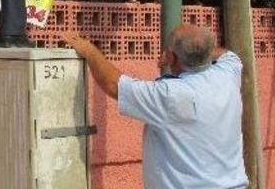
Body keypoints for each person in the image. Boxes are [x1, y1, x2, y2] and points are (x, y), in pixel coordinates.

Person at [64, 24, 249, 189]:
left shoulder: (170, 95)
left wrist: (88, 50)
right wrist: (196, 51)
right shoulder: (227, 74)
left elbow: (114, 85)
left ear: (171, 57)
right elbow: (227, 55)